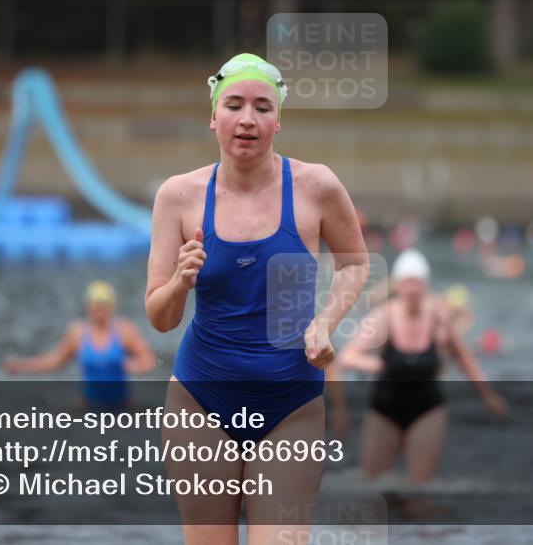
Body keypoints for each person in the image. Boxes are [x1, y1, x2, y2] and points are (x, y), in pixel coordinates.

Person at [145, 53, 369, 545]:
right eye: (235, 105)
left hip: (291, 402)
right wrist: (181, 281)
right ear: (214, 117)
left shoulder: (316, 186)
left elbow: (355, 264)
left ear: (278, 121)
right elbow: (160, 318)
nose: (248, 118)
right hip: (201, 400)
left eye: (262, 107)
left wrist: (325, 323)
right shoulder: (178, 197)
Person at [339, 249, 507, 484]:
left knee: (419, 489)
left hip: (427, 409)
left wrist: (488, 396)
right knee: (370, 484)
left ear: (425, 285)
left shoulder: (438, 318)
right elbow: (347, 357)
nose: (413, 290)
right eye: (408, 283)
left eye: (418, 283)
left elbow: (463, 358)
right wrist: (381, 365)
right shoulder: (383, 317)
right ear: (397, 285)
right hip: (385, 409)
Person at [3, 281, 155, 410]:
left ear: (112, 307)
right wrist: (22, 365)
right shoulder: (78, 333)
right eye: (96, 305)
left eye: (104, 305)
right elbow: (55, 361)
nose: (100, 310)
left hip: (122, 407)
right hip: (89, 406)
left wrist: (129, 365)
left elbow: (149, 361)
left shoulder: (125, 330)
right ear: (88, 306)